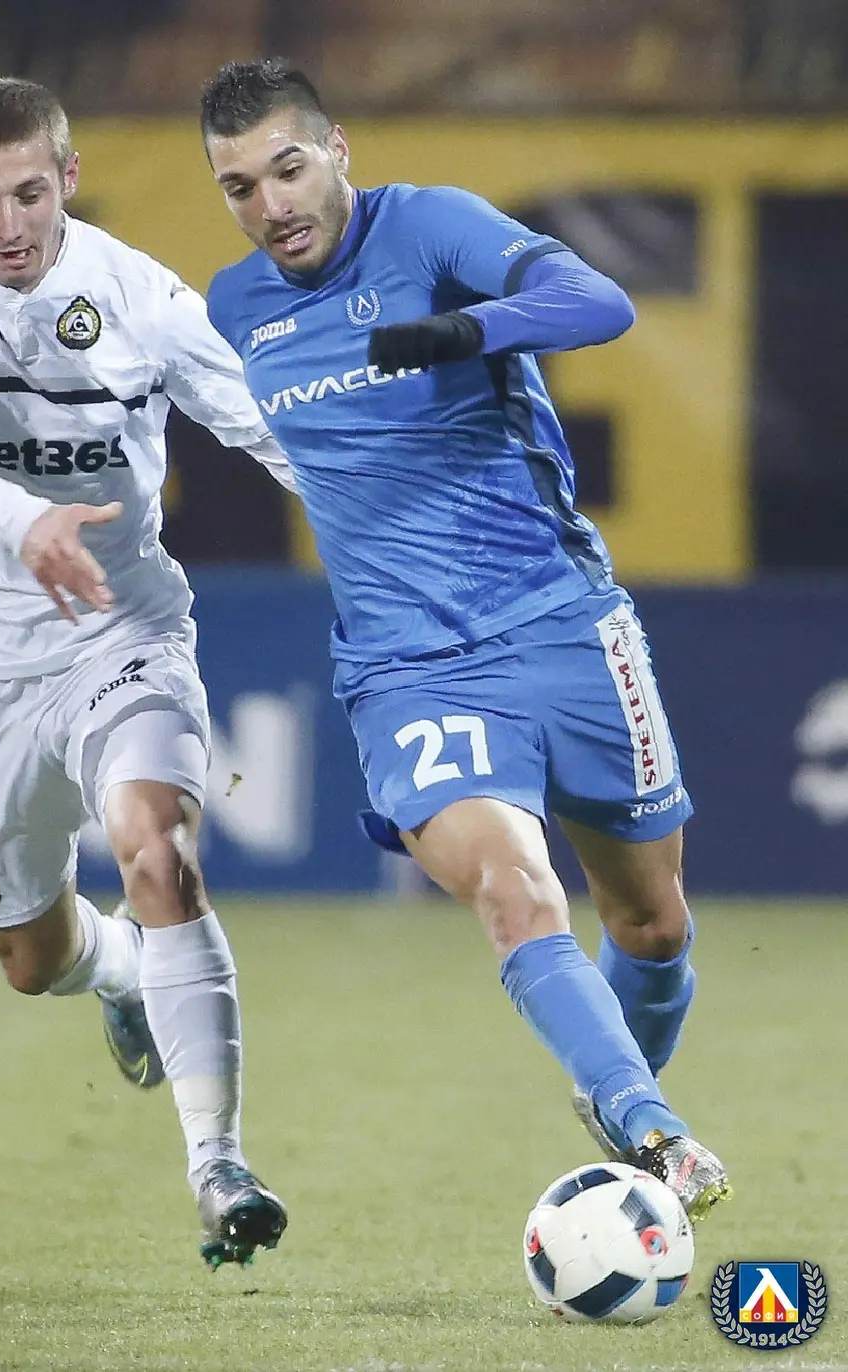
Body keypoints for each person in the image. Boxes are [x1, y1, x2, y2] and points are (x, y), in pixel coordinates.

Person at [198, 58, 731, 1219]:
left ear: (337, 148)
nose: (272, 205)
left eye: (288, 169)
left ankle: (615, 1106)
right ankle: (653, 1129)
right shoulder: (231, 309)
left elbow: (601, 303)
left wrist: (459, 331)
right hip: (410, 666)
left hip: (566, 623)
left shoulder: (429, 228)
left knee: (651, 923)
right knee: (512, 886)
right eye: (240, 187)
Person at [0, 75, 290, 1268]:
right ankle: (122, 970)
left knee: (160, 848)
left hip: (119, 630)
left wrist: (397, 529)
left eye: (31, 194)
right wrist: (23, 523)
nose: (9, 224)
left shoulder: (140, 296)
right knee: (30, 960)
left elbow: (268, 427)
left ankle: (219, 1167)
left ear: (69, 180)